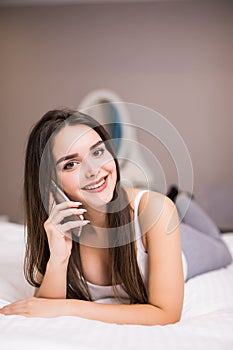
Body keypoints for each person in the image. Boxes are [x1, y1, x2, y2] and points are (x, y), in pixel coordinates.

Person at [0, 108, 232, 325]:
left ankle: (182, 199)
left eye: (98, 151)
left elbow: (166, 313)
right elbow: (44, 306)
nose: (93, 170)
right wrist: (59, 258)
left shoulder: (157, 210)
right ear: (48, 184)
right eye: (71, 164)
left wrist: (69, 308)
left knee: (221, 250)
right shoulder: (54, 226)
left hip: (175, 238)